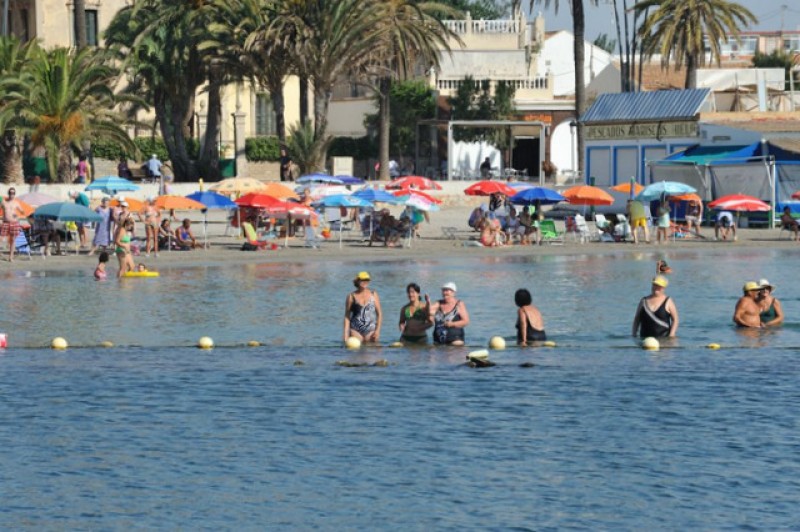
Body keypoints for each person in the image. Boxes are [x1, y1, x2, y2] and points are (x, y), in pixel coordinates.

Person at [343, 271, 382, 343]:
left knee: (376, 352)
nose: (365, 282)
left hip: (371, 331)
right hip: (355, 330)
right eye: (362, 280)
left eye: (367, 280)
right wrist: (345, 334)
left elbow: (379, 314)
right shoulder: (351, 296)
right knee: (356, 352)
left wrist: (377, 331)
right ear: (357, 281)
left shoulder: (374, 294)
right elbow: (347, 316)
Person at [1, 187, 25, 261]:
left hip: (14, 223)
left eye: (13, 193)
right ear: (8, 194)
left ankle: (11, 257)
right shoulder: (3, 202)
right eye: (10, 193)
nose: (12, 194)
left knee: (13, 240)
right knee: (0, 238)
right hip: (5, 222)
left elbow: (22, 212)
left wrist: (17, 214)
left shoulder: (16, 203)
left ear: (14, 194)